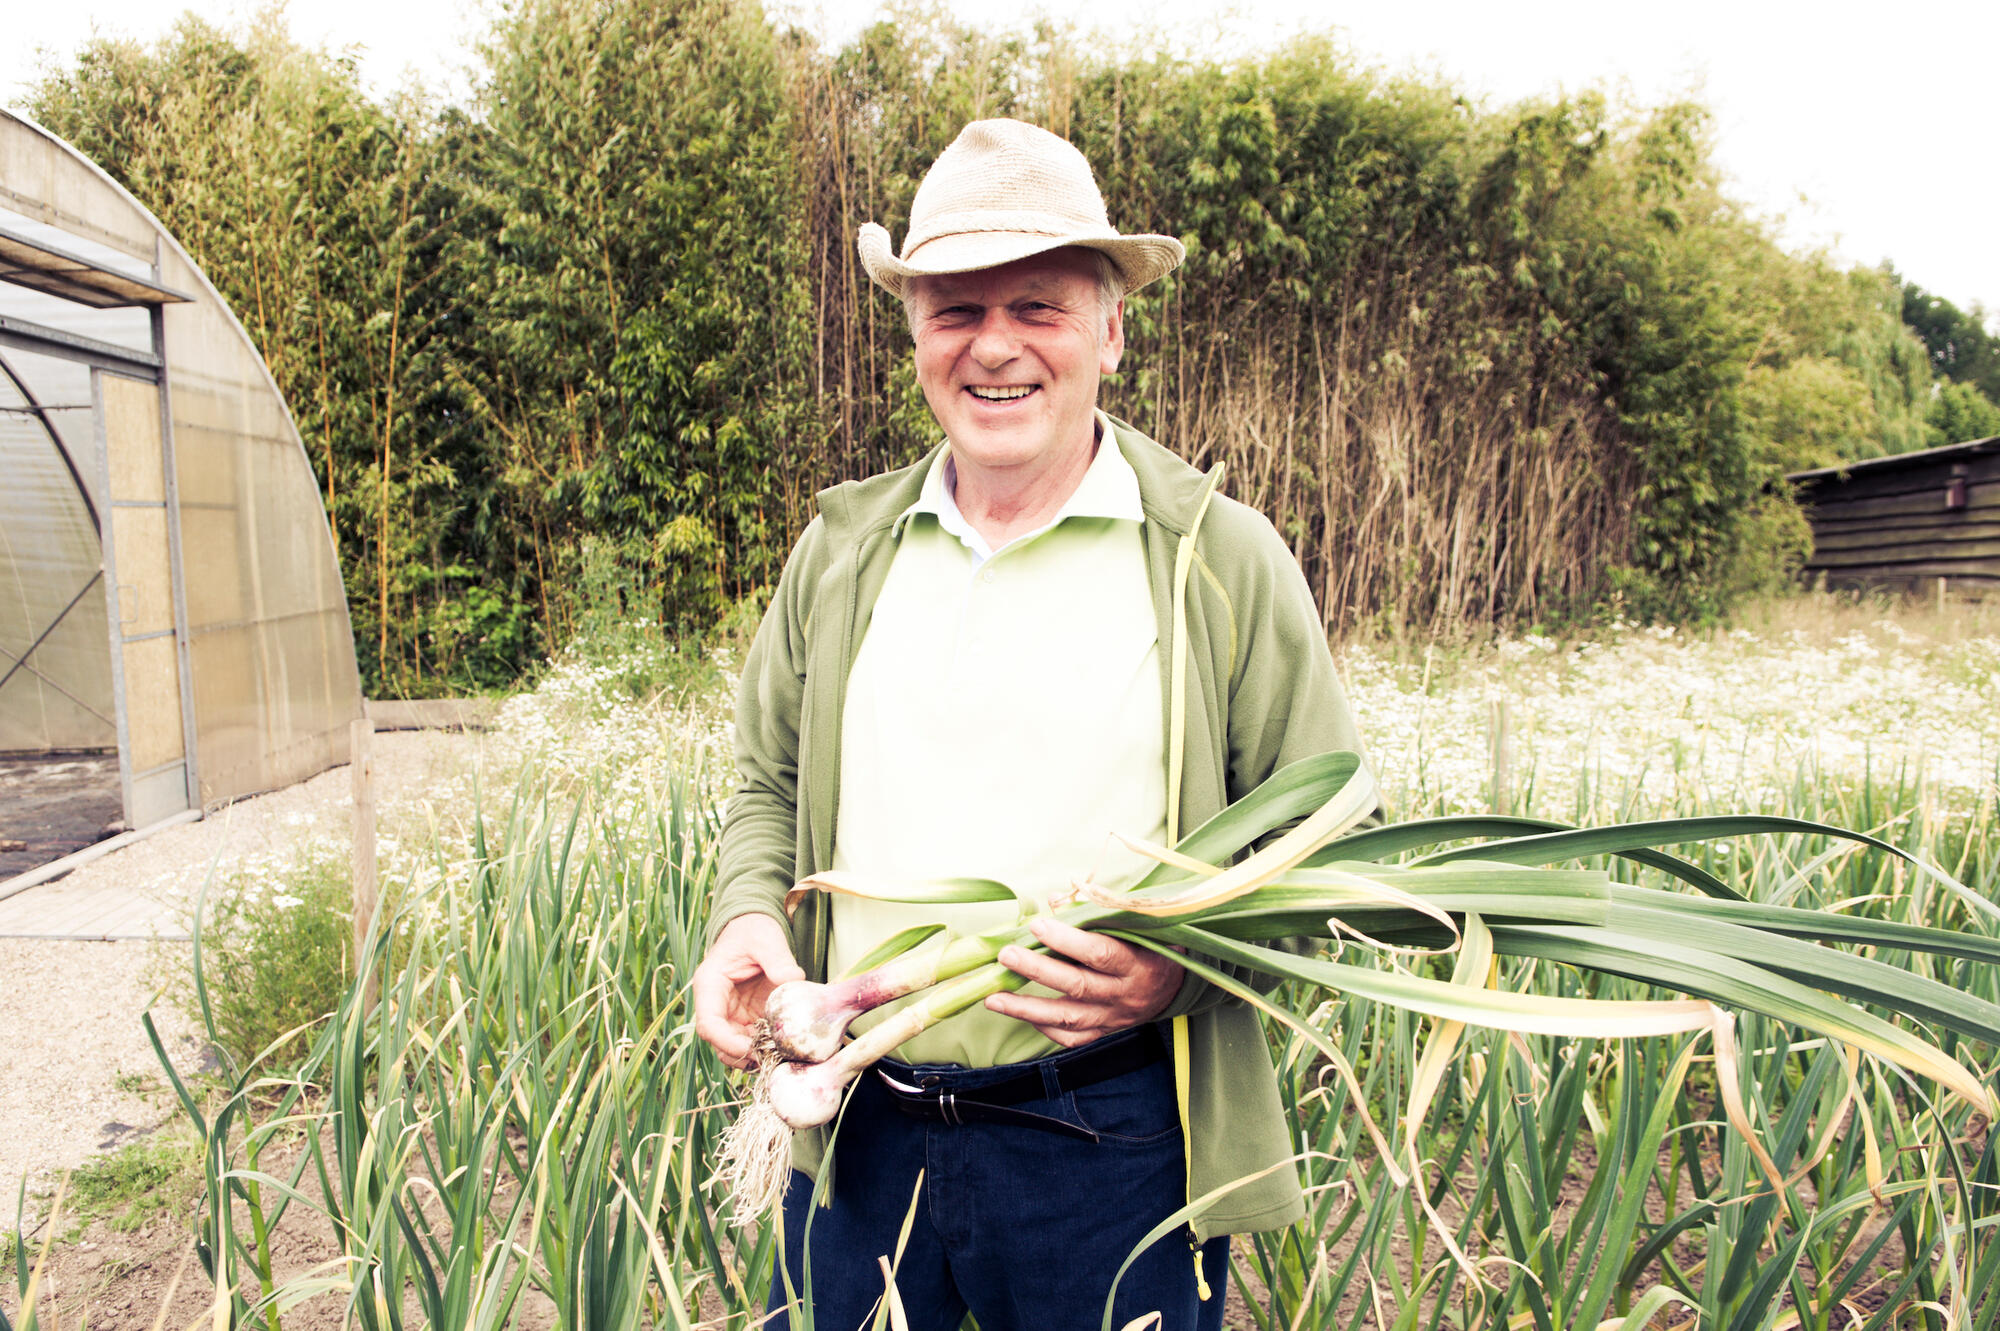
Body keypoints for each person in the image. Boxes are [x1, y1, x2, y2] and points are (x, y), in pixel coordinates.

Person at [693, 118, 1367, 1331]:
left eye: (1038, 307)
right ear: (912, 336)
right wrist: (746, 913)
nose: (992, 347)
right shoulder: (842, 552)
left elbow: (1323, 841)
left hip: (1110, 1145)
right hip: (857, 1129)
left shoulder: (1216, 558)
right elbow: (767, 781)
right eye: (954, 309)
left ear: (1111, 329)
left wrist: (1183, 968)